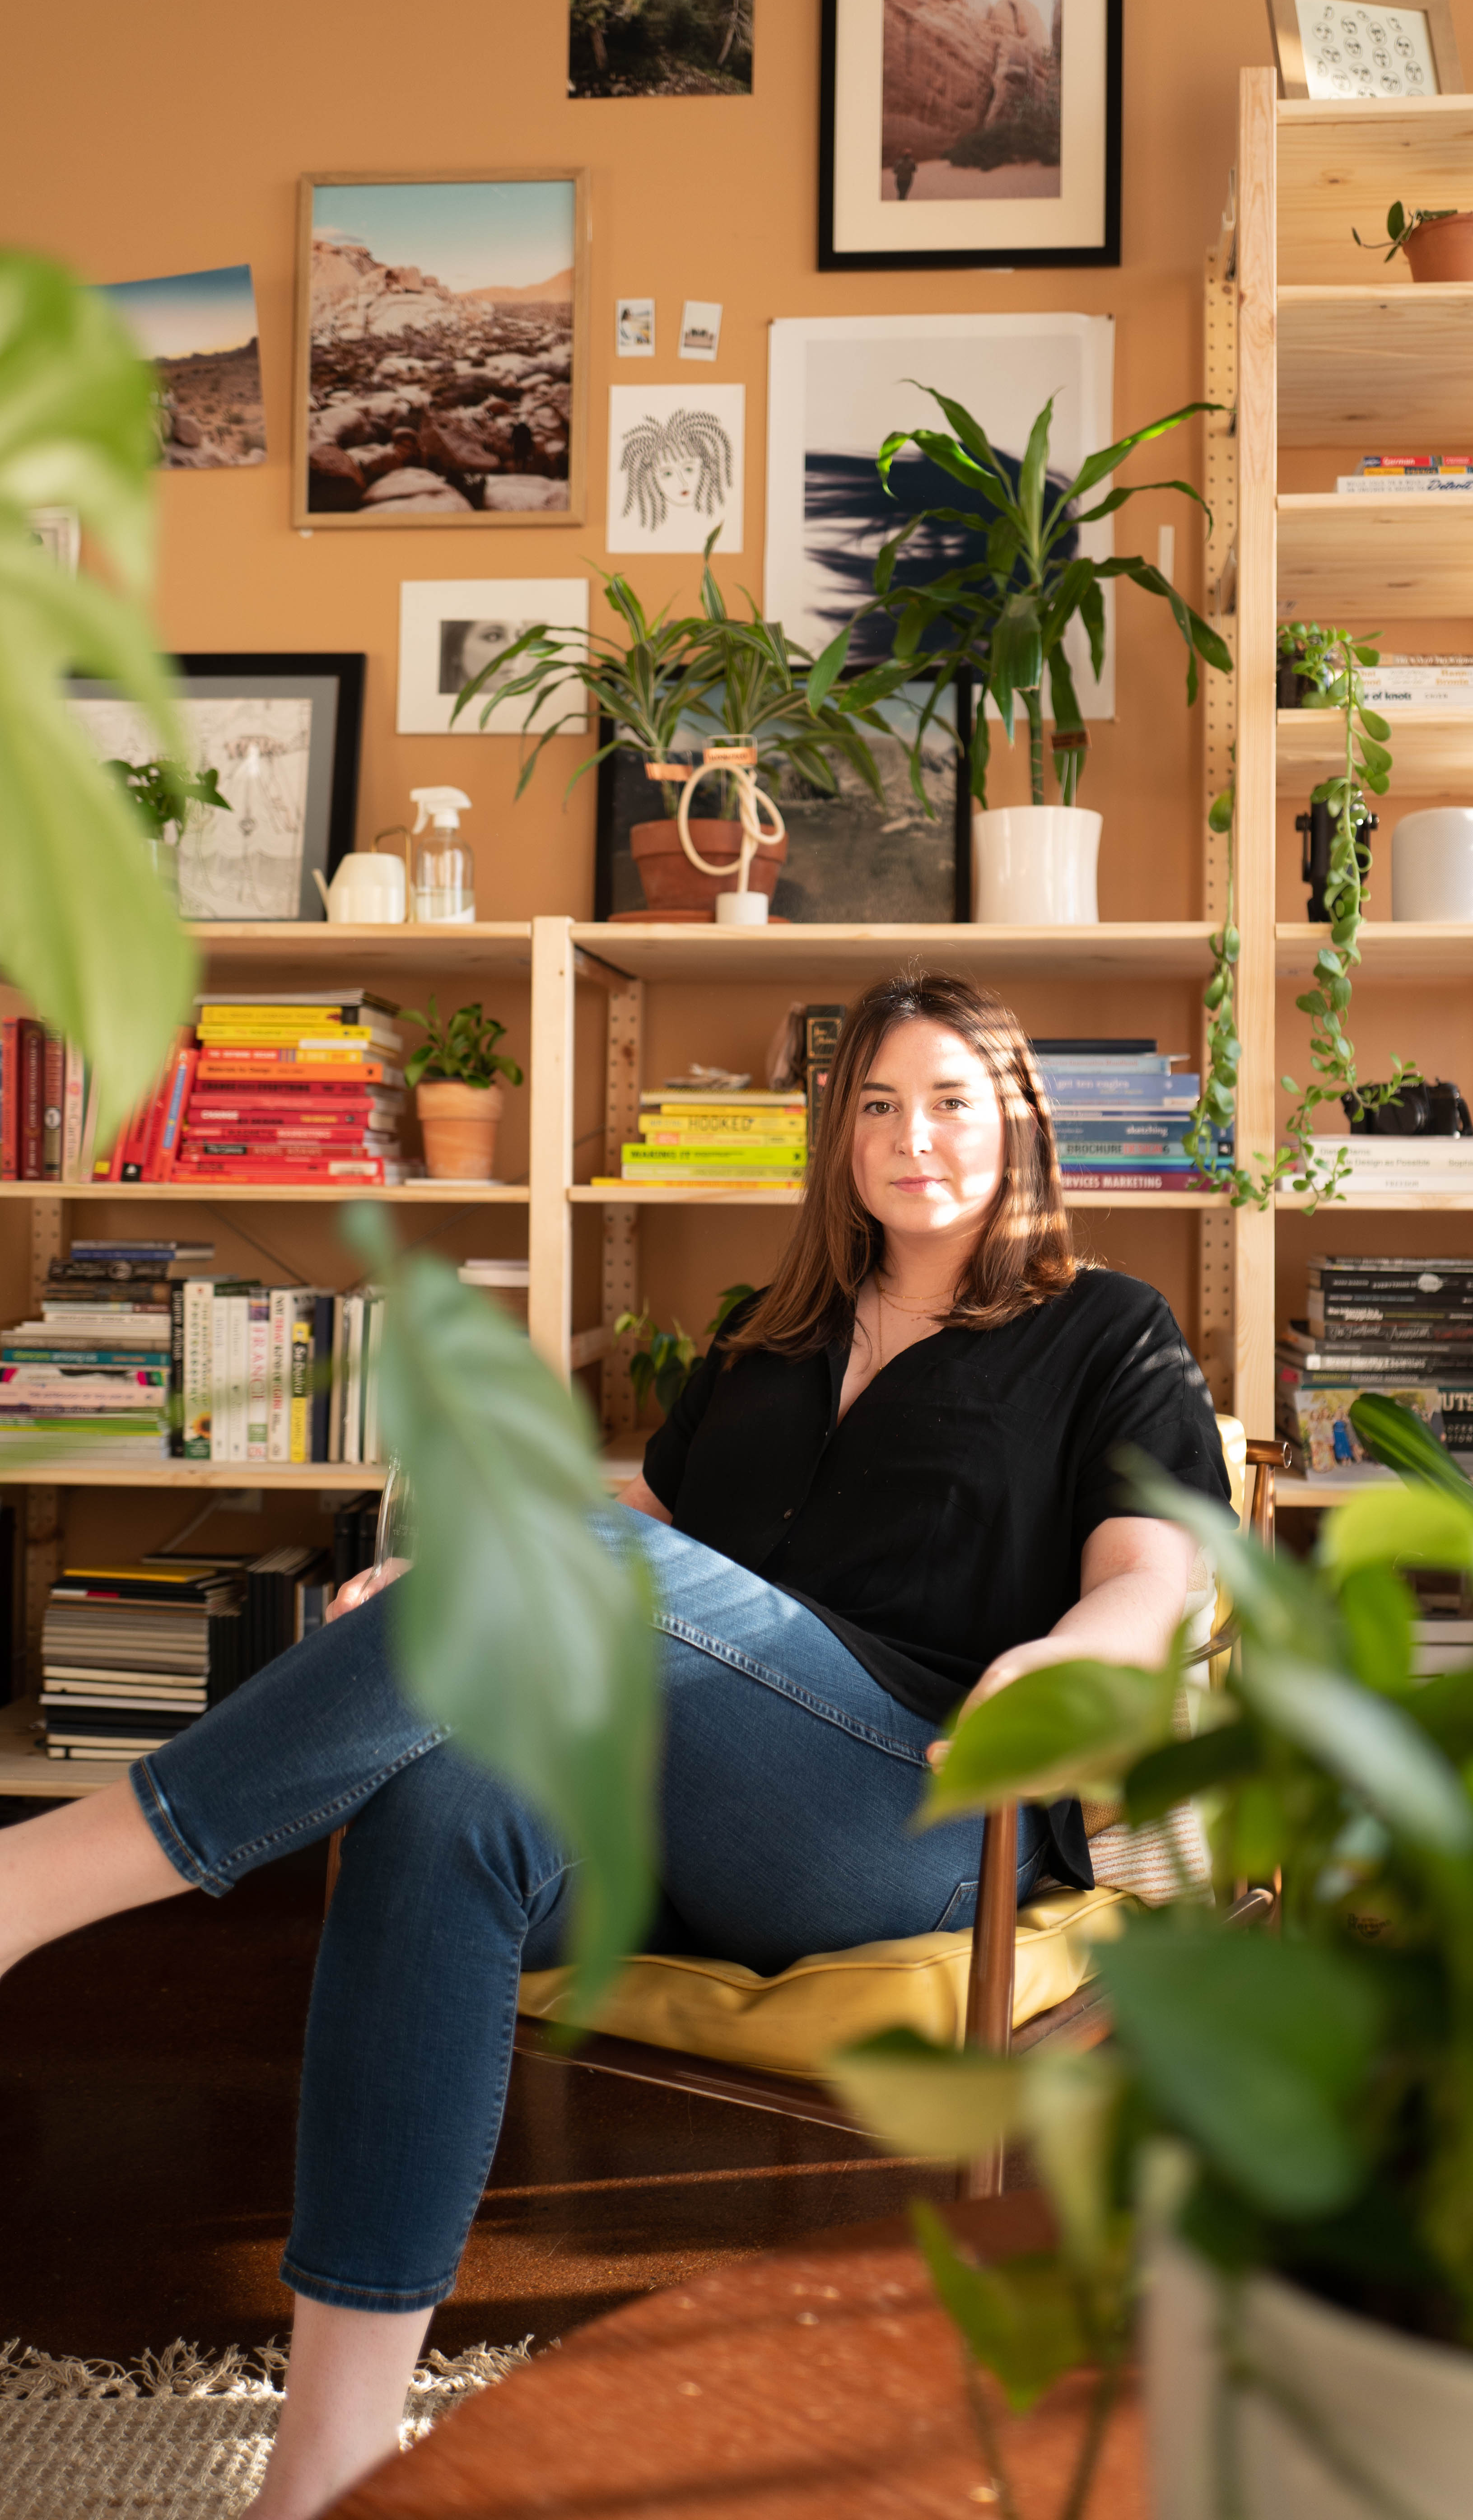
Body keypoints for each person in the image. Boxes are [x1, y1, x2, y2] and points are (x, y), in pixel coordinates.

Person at [0, 968, 1227, 2520]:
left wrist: (1066, 1660)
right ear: (837, 1141)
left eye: (953, 1102)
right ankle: (328, 2466)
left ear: (1022, 1124)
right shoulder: (767, 1342)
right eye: (877, 1105)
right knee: (443, 1802)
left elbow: (1157, 1580)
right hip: (679, 1812)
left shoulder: (1105, 1332)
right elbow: (652, 1532)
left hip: (902, 1814)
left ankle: (28, 1890)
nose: (915, 1137)